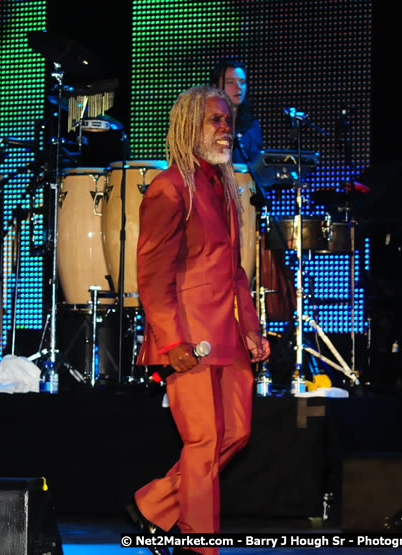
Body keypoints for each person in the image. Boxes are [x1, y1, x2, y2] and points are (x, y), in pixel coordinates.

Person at [126, 87, 270, 555]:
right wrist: (170, 343)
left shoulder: (225, 188)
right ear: (190, 126)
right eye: (215, 120)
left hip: (227, 332)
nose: (226, 128)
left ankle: (151, 506)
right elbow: (152, 275)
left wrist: (251, 326)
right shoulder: (170, 187)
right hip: (189, 337)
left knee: (236, 434)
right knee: (204, 441)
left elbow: (236, 270)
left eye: (228, 120)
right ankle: (199, 548)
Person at [209, 59, 263, 165]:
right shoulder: (206, 124)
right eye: (230, 82)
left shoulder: (252, 126)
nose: (238, 87)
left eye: (242, 82)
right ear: (215, 87)